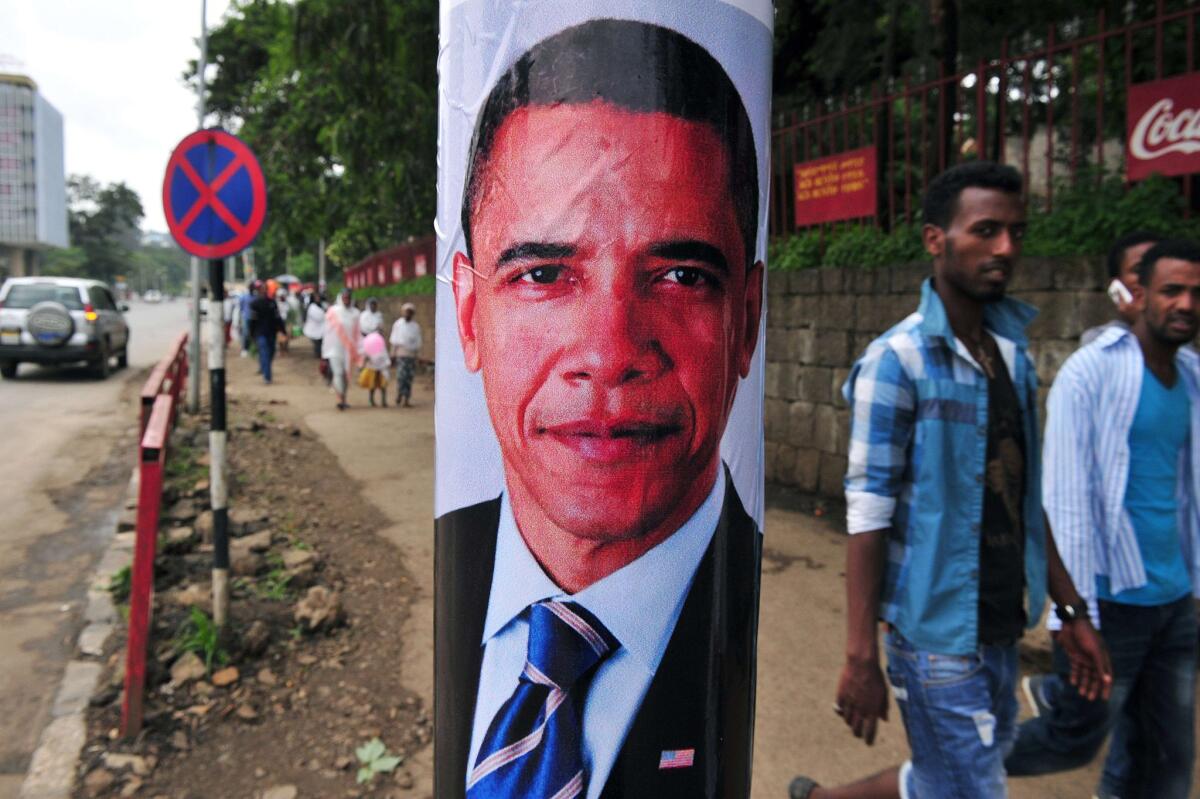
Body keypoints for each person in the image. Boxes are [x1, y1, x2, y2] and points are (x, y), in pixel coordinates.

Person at [435, 19, 763, 799]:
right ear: (470, 314)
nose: (610, 349)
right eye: (545, 274)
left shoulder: (734, 611)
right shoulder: (455, 553)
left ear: (747, 322)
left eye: (682, 275)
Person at [788, 162, 1111, 799]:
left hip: (1000, 622)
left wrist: (1069, 611)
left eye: (1015, 232)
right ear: (936, 239)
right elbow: (868, 513)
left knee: (945, 779)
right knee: (973, 788)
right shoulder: (897, 360)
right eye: (985, 231)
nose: (1006, 249)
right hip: (932, 634)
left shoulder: (1012, 357)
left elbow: (1021, 495)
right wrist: (860, 656)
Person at [1002, 240, 1200, 799]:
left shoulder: (1191, 376)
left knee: (1168, 757)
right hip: (1111, 607)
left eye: (1196, 293)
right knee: (1070, 741)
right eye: (1171, 290)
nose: (1186, 304)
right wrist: (1073, 618)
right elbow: (1062, 505)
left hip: (1174, 603)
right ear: (1136, 294)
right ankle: (936, 768)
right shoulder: (1089, 374)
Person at [1080, 231, 1160, 346]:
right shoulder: (1099, 339)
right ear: (1116, 285)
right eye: (1138, 270)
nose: (1151, 277)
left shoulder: (1180, 331)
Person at [323, 288, 361, 410]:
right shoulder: (333, 312)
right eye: (344, 297)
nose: (346, 300)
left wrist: (359, 349)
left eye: (348, 298)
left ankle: (344, 397)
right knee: (338, 373)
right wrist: (325, 349)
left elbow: (357, 333)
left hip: (348, 350)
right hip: (334, 348)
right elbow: (327, 332)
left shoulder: (355, 313)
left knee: (346, 374)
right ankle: (339, 398)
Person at [247, 280, 284, 384]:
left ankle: (264, 368)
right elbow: (252, 320)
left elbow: (277, 318)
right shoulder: (254, 304)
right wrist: (252, 333)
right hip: (260, 333)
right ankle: (267, 377)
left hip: (271, 332)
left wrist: (282, 330)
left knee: (270, 353)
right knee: (264, 353)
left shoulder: (272, 302)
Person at [388, 302, 422, 408]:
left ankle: (406, 399)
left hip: (411, 355)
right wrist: (392, 354)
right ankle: (399, 394)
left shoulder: (416, 327)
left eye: (410, 312)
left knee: (409, 378)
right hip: (401, 354)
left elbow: (418, 342)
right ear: (403, 313)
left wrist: (417, 356)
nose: (408, 314)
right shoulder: (398, 324)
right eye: (406, 312)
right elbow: (394, 341)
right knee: (401, 377)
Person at [358, 330, 391, 407]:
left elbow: (385, 356)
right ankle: (372, 400)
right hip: (372, 367)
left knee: (383, 385)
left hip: (381, 368)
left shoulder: (381, 346)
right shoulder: (368, 347)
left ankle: (383, 401)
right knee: (372, 385)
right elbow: (364, 355)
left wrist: (387, 363)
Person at [303, 291, 326, 360]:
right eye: (316, 297)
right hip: (314, 329)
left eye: (318, 297)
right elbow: (319, 317)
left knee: (321, 343)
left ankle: (319, 354)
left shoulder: (322, 305)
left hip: (321, 329)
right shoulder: (312, 307)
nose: (318, 299)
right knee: (317, 343)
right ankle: (318, 355)